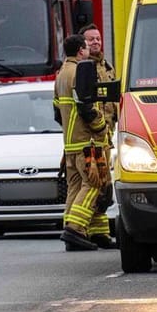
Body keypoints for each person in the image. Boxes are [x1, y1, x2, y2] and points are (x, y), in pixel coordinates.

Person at [54, 34, 110, 251]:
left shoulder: (60, 75)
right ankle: (76, 229)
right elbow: (86, 107)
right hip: (88, 143)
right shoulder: (80, 71)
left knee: (75, 188)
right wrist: (101, 127)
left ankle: (90, 232)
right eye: (87, 46)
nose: (90, 49)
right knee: (94, 184)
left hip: (70, 144)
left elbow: (57, 112)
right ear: (80, 50)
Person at [81, 27, 119, 249]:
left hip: (107, 134)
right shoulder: (84, 68)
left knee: (104, 185)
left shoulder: (106, 66)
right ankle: (81, 229)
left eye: (98, 38)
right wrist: (99, 126)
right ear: (83, 44)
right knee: (97, 183)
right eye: (91, 39)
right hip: (95, 135)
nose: (96, 42)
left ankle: (99, 233)